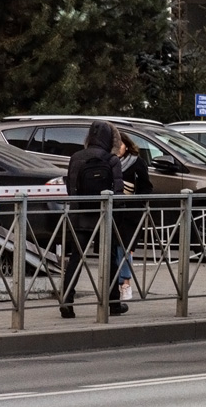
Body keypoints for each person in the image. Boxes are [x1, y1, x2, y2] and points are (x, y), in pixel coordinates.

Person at [60, 120, 128, 318]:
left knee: (75, 259)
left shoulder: (76, 157)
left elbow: (70, 188)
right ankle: (113, 303)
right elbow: (118, 191)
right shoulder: (111, 159)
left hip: (78, 215)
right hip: (104, 217)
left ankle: (67, 301)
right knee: (109, 259)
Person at [115, 134, 153, 301]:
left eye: (120, 144)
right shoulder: (109, 161)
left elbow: (146, 186)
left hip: (131, 211)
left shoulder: (136, 162)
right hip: (114, 210)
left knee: (125, 247)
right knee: (114, 247)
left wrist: (137, 200)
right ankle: (115, 284)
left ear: (127, 145)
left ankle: (125, 283)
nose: (117, 148)